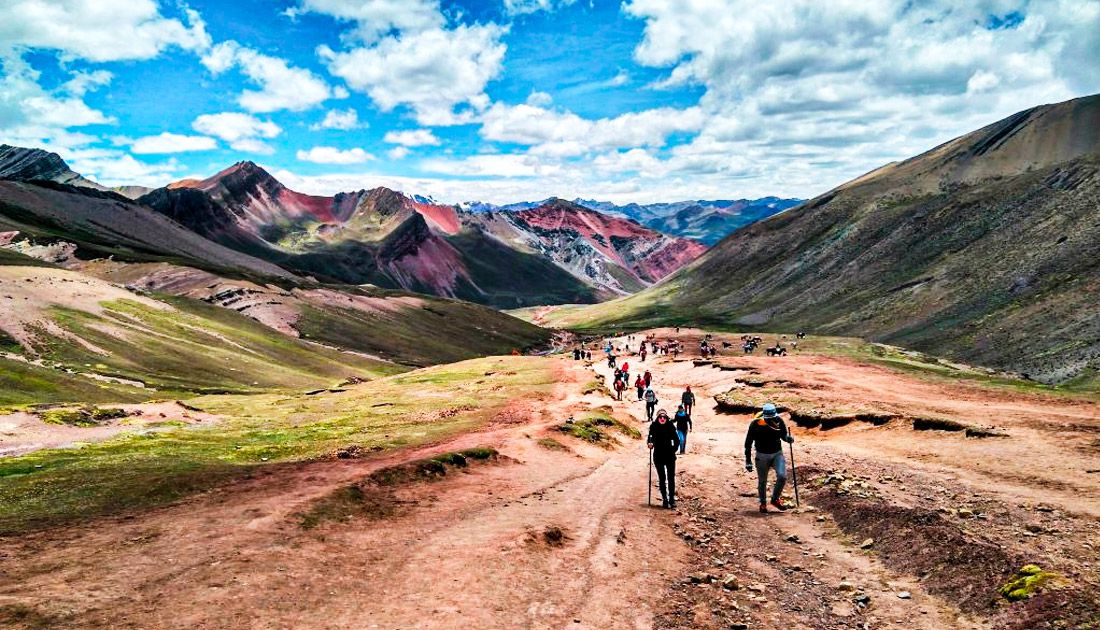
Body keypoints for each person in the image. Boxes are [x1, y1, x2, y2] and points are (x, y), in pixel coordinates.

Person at [744, 403, 794, 513]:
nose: (772, 419)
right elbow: (748, 442)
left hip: (777, 454)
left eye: (773, 417)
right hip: (761, 456)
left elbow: (783, 435)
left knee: (782, 476)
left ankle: (775, 499)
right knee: (762, 481)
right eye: (769, 417)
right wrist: (748, 461)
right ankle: (763, 503)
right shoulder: (756, 424)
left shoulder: (779, 421)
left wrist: (788, 438)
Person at [647, 409, 680, 508]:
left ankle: (671, 499)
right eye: (660, 417)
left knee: (671, 478)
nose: (662, 419)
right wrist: (649, 443)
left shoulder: (670, 426)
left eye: (664, 417)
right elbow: (650, 437)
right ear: (658, 418)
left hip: (669, 456)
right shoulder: (653, 426)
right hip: (658, 456)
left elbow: (677, 440)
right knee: (662, 478)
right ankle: (665, 499)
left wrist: (673, 450)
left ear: (666, 418)